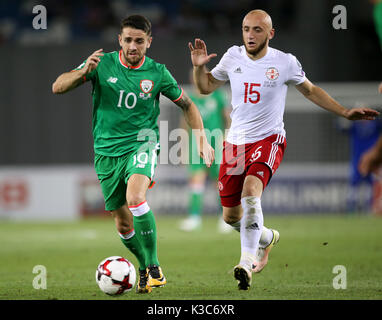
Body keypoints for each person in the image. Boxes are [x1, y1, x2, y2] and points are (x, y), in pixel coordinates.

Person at [189, 9, 379, 290]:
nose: (250, 35)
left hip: (269, 139)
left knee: (251, 193)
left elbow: (311, 91)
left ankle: (246, 263)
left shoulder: (285, 62)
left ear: (270, 33)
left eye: (256, 30)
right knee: (230, 217)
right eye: (245, 29)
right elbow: (205, 87)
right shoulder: (232, 57)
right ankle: (266, 238)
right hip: (235, 144)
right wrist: (197, 67)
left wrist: (344, 111)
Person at [52, 15, 214, 294]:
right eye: (127, 40)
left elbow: (188, 104)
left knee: (135, 198)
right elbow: (57, 87)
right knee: (122, 221)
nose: (133, 45)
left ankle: (153, 267)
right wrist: (82, 72)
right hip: (106, 153)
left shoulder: (157, 72)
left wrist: (201, 139)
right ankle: (143, 267)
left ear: (149, 42)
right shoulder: (100, 64)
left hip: (143, 143)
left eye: (139, 40)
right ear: (119, 40)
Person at [179, 70, 232, 233]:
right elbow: (185, 123)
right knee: (196, 179)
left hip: (218, 142)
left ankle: (225, 218)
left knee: (220, 181)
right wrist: (183, 146)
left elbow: (228, 118)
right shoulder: (190, 98)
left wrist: (229, 139)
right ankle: (194, 217)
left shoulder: (217, 96)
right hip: (197, 143)